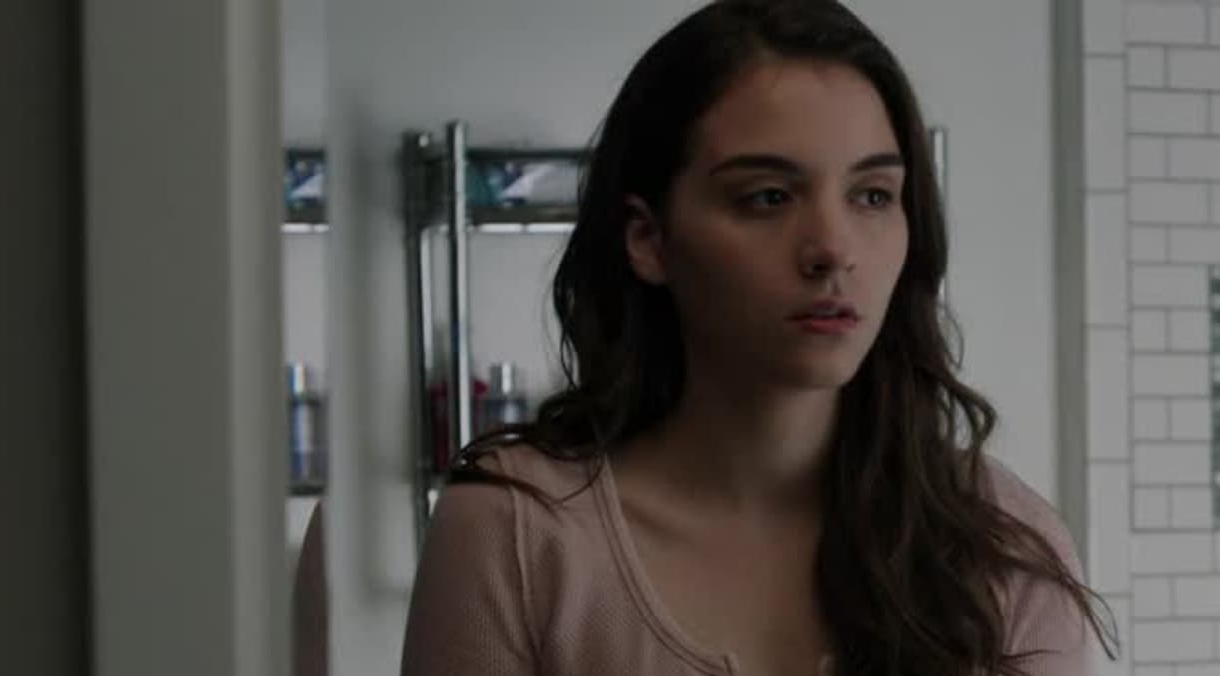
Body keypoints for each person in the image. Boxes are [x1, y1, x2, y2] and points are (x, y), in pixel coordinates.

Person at [399, 1, 1116, 675]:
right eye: (767, 197)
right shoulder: (518, 534)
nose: (833, 249)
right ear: (648, 238)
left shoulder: (1001, 544)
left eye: (872, 196)